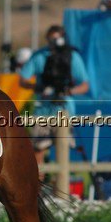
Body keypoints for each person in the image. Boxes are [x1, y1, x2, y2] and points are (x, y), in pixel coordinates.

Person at [19, 25, 89, 172]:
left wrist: (69, 91)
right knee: (38, 150)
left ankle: (61, 189)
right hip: (42, 112)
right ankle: (39, 189)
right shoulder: (39, 56)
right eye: (51, 40)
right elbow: (23, 80)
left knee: (62, 152)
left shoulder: (72, 57)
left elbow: (84, 84)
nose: (55, 43)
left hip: (64, 110)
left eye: (57, 39)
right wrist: (37, 88)